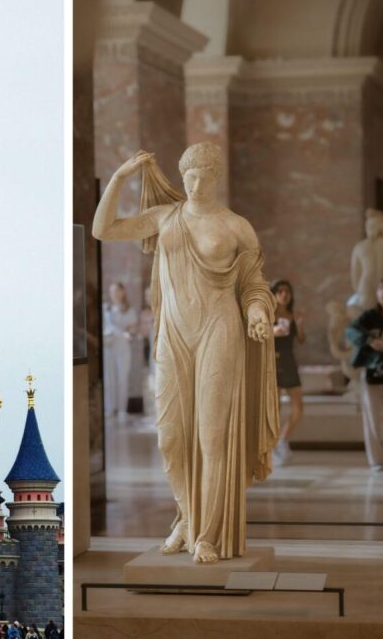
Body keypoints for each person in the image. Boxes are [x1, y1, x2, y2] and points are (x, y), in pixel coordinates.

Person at [93, 144, 278, 564]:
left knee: (212, 438)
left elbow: (253, 283)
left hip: (219, 330)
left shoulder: (236, 227)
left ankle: (208, 534)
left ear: (216, 176)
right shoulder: (165, 217)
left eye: (202, 175)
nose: (194, 184)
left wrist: (256, 312)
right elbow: (103, 229)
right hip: (174, 335)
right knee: (171, 438)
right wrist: (121, 177)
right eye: (188, 176)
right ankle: (188, 516)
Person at [345, 278, 383, 470]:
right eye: (381, 292)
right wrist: (370, 341)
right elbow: (350, 331)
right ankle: (377, 460)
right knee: (372, 417)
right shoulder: (369, 317)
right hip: (372, 371)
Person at [270, 279, 305, 465]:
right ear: (274, 294)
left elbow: (301, 340)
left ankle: (283, 439)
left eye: (287, 292)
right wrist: (271, 331)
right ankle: (273, 446)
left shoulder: (292, 315)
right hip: (272, 362)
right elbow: (256, 334)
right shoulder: (267, 315)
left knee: (299, 407)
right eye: (281, 291)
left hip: (289, 361)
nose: (284, 294)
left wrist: (299, 324)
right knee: (275, 408)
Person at [102, 282, 138, 416]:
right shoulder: (106, 309)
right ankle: (110, 409)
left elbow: (132, 329)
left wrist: (128, 334)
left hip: (122, 347)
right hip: (109, 346)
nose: (114, 294)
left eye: (117, 291)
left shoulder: (129, 310)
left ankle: (122, 409)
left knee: (122, 378)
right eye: (112, 292)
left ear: (123, 292)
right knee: (109, 378)